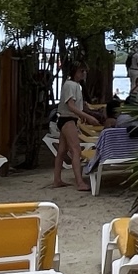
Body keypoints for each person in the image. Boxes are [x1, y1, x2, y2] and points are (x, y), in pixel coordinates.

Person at [51, 60, 91, 192]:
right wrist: (87, 116)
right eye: (81, 71)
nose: (83, 74)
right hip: (67, 119)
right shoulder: (70, 85)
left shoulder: (74, 85)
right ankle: (79, 182)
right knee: (76, 150)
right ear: (74, 72)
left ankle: (57, 179)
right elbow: (71, 106)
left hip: (68, 119)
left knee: (62, 151)